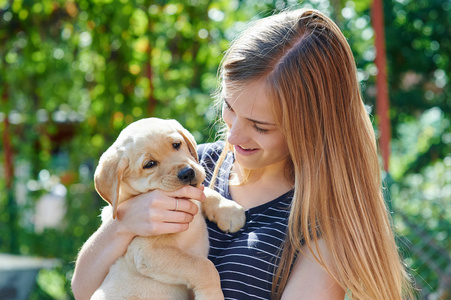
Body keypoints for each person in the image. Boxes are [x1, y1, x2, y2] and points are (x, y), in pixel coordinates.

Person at [71, 8, 413, 300]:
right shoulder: (195, 163)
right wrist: (123, 225)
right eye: (229, 107)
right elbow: (84, 289)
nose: (233, 136)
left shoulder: (323, 224)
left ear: (311, 129)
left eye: (260, 126)